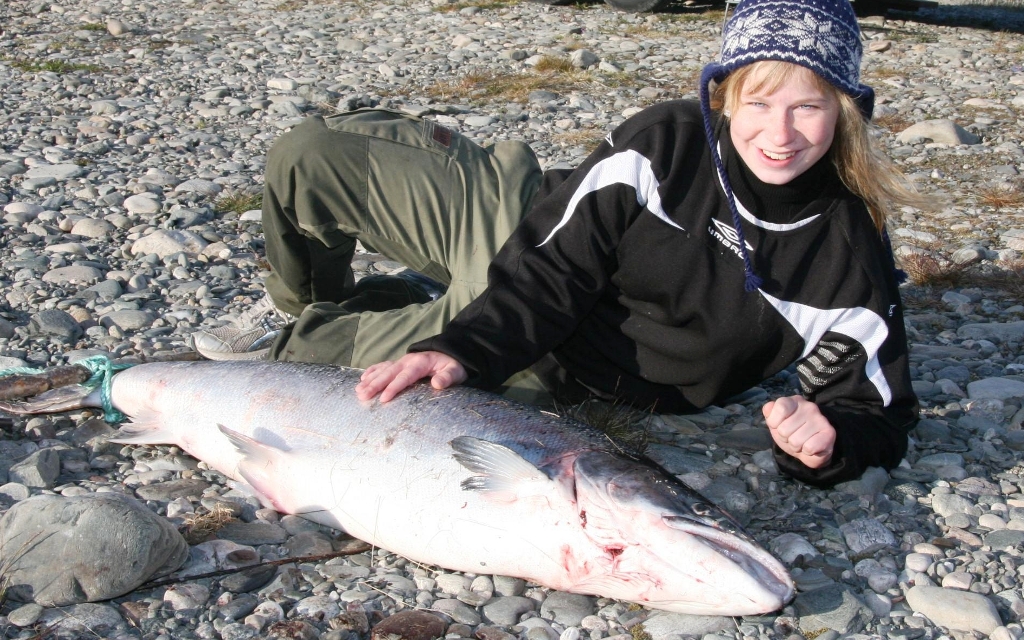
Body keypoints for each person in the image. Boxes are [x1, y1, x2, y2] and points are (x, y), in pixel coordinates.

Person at [193, 0, 932, 487]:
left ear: (845, 114)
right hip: (526, 236)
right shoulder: (666, 141)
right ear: (723, 95)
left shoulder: (843, 256)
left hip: (556, 362)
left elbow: (879, 412)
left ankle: (315, 331)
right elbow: (550, 268)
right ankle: (313, 302)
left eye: (808, 107)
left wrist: (827, 441)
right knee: (307, 154)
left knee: (307, 371)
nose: (780, 134)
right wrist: (465, 348)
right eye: (759, 101)